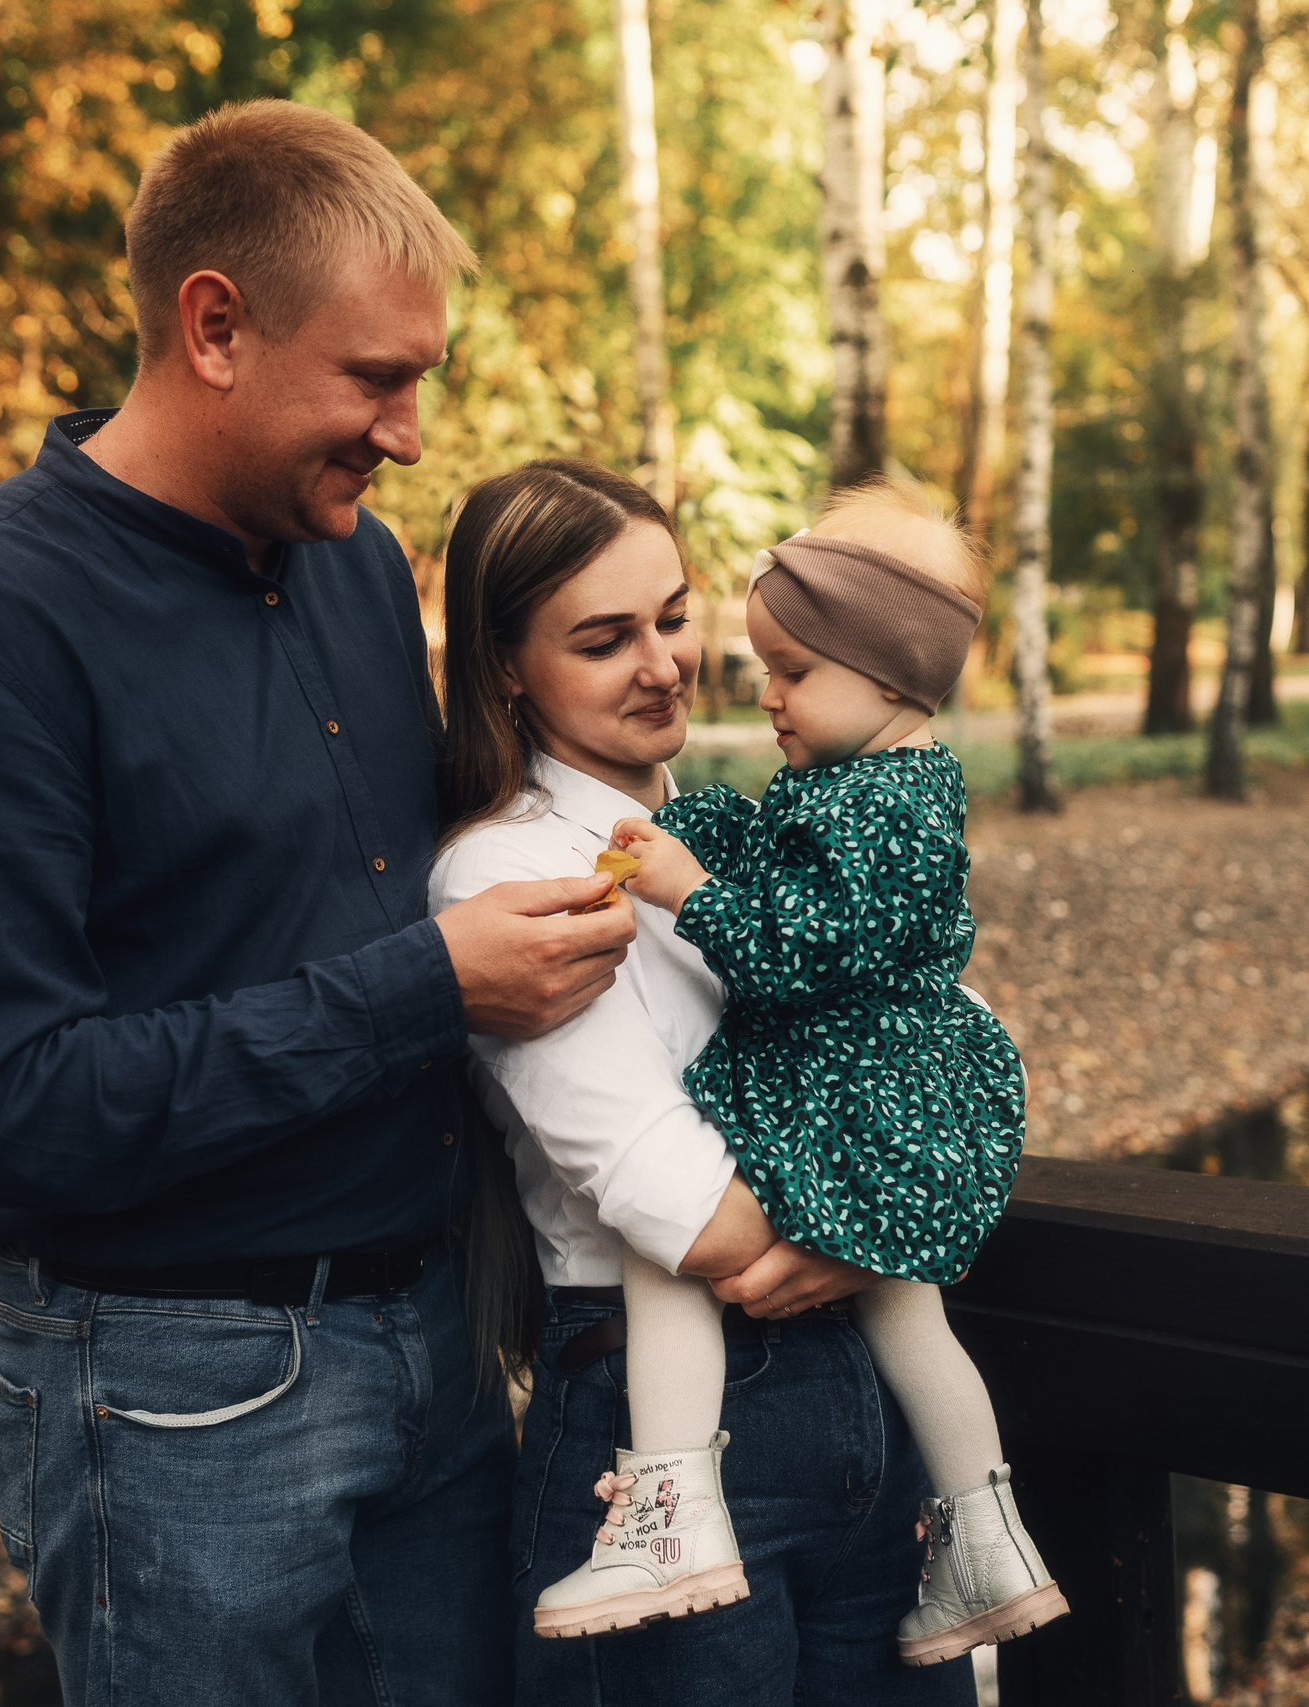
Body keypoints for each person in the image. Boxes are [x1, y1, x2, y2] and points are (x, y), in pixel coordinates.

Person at [0, 103, 640, 1706]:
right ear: (213, 325)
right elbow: (3, 1109)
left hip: (439, 1344)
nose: (409, 432)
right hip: (180, 1397)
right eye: (375, 379)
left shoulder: (354, 562)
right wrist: (430, 985)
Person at [426, 459, 981, 1705]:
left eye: (674, 616)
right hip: (649, 1416)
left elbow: (943, 1029)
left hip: (861, 1404)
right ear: (508, 666)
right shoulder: (511, 873)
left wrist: (894, 1186)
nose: (665, 662)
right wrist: (887, 1211)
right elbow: (685, 1207)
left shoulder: (739, 832)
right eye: (604, 637)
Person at [585, 480, 1066, 1665]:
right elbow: (777, 840)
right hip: (891, 1090)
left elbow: (799, 948)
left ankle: (671, 1502)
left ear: (891, 678)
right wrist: (705, 832)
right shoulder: (885, 789)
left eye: (792, 672)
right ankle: (985, 1539)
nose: (766, 692)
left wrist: (687, 889)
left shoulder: (872, 813)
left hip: (843, 1089)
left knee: (659, 1256)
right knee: (910, 1317)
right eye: (763, 664)